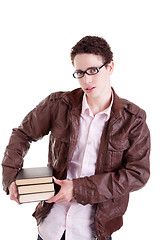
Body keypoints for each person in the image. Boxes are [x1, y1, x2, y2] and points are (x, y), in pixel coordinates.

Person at [2, 36, 150, 240]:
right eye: (80, 72)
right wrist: (10, 178)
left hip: (93, 231)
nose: (86, 80)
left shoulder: (133, 120)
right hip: (50, 228)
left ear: (110, 67)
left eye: (93, 70)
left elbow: (137, 174)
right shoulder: (58, 104)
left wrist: (77, 189)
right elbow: (22, 133)